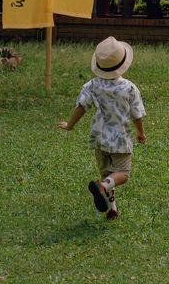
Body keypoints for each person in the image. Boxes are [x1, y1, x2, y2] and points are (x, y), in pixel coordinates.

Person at [55, 36, 146, 220]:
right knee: (121, 174)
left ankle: (111, 209)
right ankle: (103, 187)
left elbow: (81, 108)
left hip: (98, 138)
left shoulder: (91, 86)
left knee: (107, 174)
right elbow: (136, 113)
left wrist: (69, 125)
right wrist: (141, 132)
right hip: (120, 138)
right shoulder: (129, 88)